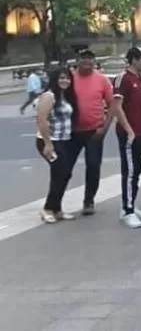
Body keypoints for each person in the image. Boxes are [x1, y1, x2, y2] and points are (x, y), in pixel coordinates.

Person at [71, 46, 117, 216]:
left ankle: (88, 200)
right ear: (77, 61)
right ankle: (55, 202)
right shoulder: (70, 78)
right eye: (84, 58)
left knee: (92, 165)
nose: (87, 62)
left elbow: (112, 104)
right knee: (64, 167)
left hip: (94, 131)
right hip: (73, 131)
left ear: (94, 62)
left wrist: (105, 127)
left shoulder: (102, 80)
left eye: (90, 58)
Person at [112, 46, 141, 229]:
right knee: (129, 172)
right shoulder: (124, 79)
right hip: (129, 134)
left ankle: (130, 204)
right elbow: (117, 107)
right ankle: (127, 211)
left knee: (136, 171)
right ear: (135, 60)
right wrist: (129, 130)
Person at [35, 67, 79, 224]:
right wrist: (48, 143)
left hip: (64, 140)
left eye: (67, 78)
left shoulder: (65, 96)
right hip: (49, 141)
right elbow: (42, 120)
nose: (65, 81)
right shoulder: (49, 96)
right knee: (60, 172)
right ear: (55, 79)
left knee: (64, 173)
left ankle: (57, 208)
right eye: (61, 78)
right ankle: (47, 208)